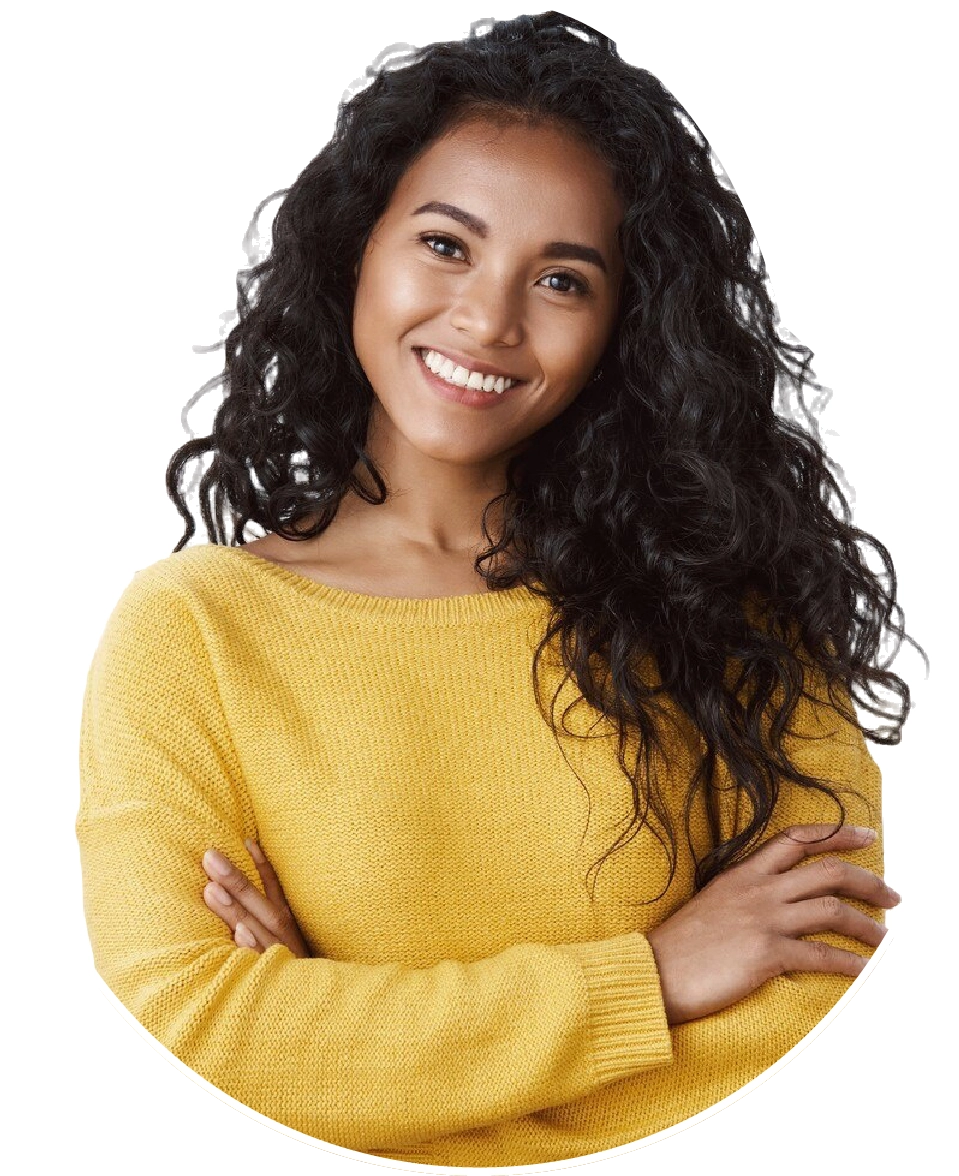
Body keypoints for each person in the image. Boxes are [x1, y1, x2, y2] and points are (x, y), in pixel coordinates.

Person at [75, 11, 925, 1168]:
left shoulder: (729, 601)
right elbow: (196, 1030)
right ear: (352, 250)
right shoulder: (196, 633)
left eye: (563, 278)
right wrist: (653, 979)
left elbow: (820, 998)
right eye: (443, 243)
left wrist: (354, 1047)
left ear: (625, 323)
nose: (488, 319)